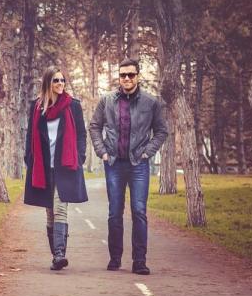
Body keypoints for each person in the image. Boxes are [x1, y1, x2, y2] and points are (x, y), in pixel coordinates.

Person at [88, 59, 168, 275]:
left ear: (138, 76)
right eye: (123, 75)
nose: (126, 79)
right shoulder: (107, 101)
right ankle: (115, 259)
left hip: (138, 165)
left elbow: (161, 131)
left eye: (131, 75)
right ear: (119, 77)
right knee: (115, 212)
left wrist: (146, 153)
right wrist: (102, 151)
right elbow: (94, 126)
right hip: (113, 163)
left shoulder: (151, 102)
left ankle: (139, 261)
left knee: (139, 211)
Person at [24, 66, 88, 271]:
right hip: (43, 167)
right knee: (49, 211)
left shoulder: (73, 106)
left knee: (60, 208)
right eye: (56, 81)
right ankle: (56, 255)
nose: (61, 84)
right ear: (48, 83)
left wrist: (80, 157)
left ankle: (60, 254)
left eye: (63, 81)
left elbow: (81, 135)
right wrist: (29, 160)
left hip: (65, 166)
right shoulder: (36, 107)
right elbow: (29, 137)